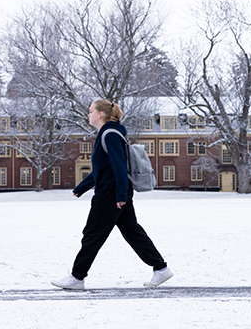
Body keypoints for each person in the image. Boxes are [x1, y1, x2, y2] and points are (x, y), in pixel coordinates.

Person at [51, 99, 172, 290]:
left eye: (91, 111)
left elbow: (120, 168)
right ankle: (161, 268)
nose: (88, 114)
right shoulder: (108, 134)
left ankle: (77, 277)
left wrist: (121, 196)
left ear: (101, 114)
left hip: (110, 194)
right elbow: (103, 169)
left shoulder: (109, 135)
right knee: (133, 232)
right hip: (114, 191)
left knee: (92, 234)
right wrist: (81, 187)